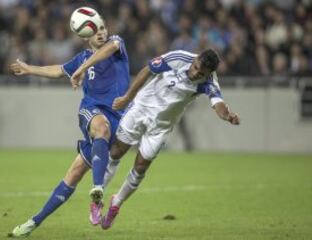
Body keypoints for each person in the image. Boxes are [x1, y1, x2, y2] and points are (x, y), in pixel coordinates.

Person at [9, 17, 130, 237]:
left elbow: (109, 48)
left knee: (73, 174)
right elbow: (58, 70)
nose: (101, 33)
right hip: (92, 112)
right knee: (101, 127)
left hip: (119, 118)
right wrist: (30, 69)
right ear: (85, 36)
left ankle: (33, 222)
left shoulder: (116, 44)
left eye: (102, 28)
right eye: (95, 31)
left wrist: (82, 68)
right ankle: (98, 190)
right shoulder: (83, 57)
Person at [99, 49, 240, 229]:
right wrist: (128, 97)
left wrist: (227, 116)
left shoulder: (209, 81)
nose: (196, 73)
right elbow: (147, 70)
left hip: (161, 126)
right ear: (195, 59)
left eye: (201, 73)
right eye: (196, 67)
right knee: (117, 151)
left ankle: (116, 203)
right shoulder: (178, 57)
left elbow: (218, 103)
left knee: (141, 166)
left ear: (209, 73)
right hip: (141, 108)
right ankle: (98, 195)